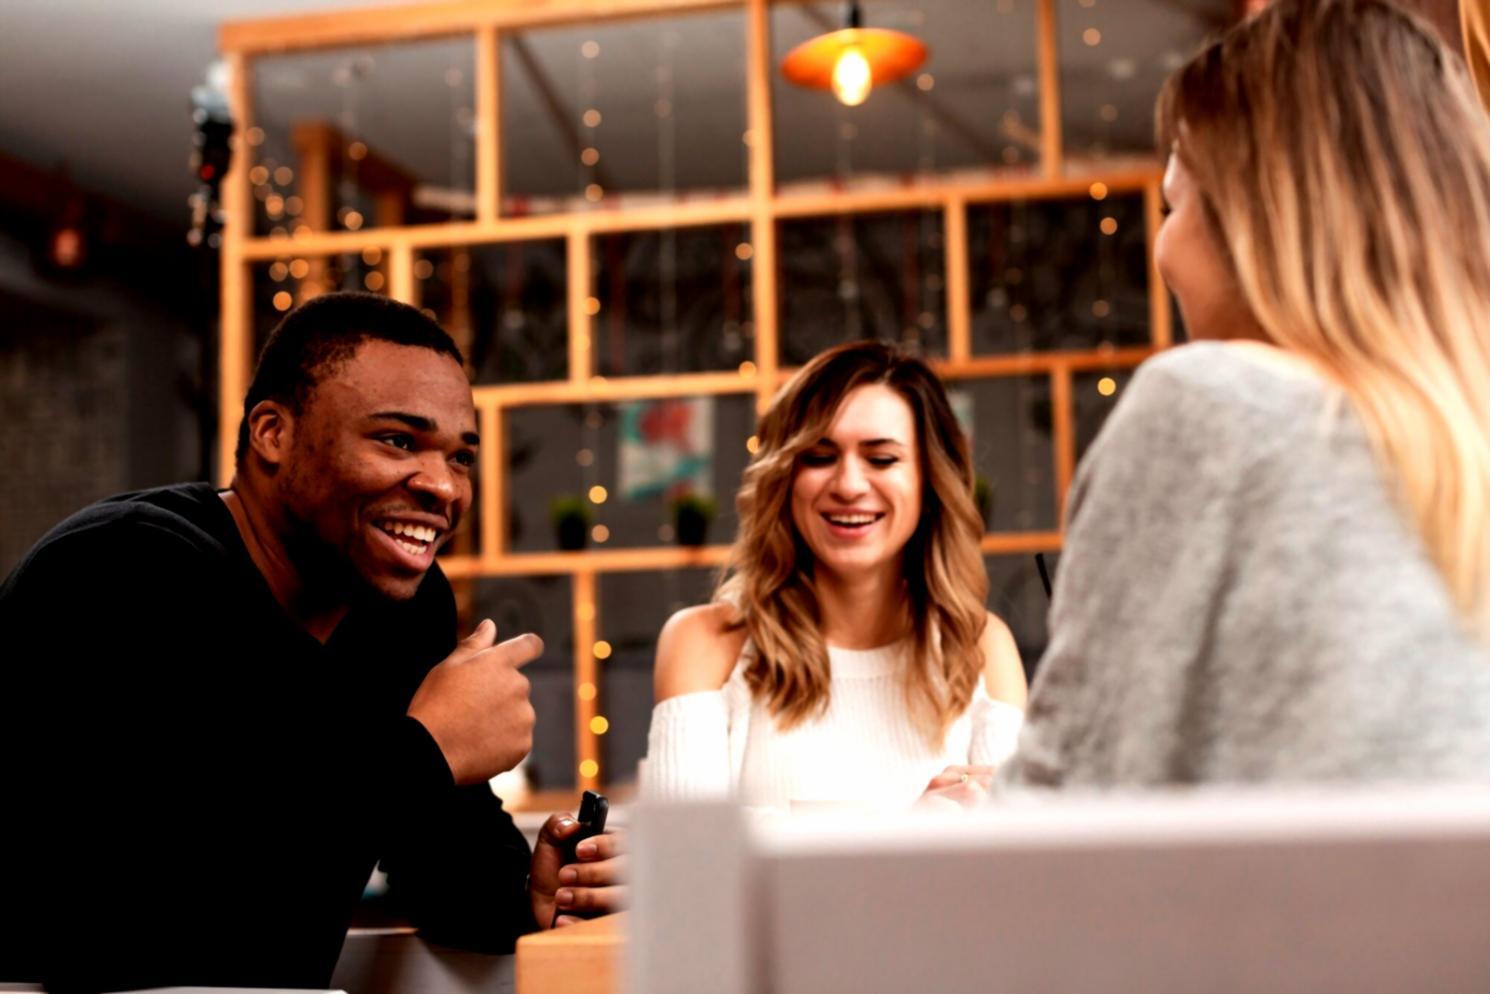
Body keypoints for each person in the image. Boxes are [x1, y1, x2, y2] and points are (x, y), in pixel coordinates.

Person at [0, 293, 622, 993]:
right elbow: (161, 923)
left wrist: (524, 895)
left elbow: (440, 860)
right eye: (398, 440)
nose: (443, 487)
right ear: (272, 432)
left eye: (461, 456)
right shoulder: (123, 573)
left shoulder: (402, 609)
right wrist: (428, 750)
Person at [1000, 0, 1490, 789]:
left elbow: (1061, 821)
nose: (1161, 252)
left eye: (1173, 203)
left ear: (1259, 218)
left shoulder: (1214, 414)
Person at [644, 341, 1028, 811]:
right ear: (785, 477)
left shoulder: (983, 648)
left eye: (882, 459)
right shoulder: (706, 644)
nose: (848, 485)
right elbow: (688, 872)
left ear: (929, 482)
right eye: (819, 456)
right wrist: (909, 835)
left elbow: (1009, 872)